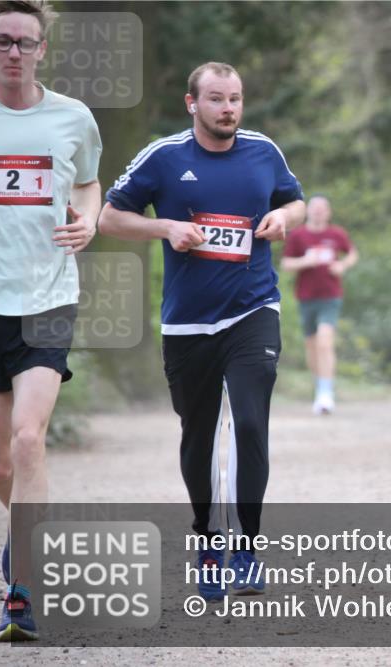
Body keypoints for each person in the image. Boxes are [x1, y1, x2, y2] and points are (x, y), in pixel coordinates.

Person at [98, 62, 305, 602]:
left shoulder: (264, 150)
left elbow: (295, 200)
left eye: (235, 98)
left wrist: (286, 220)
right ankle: (208, 538)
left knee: (252, 426)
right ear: (193, 104)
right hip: (187, 320)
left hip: (253, 309)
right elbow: (109, 218)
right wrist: (164, 227)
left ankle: (247, 549)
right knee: (199, 433)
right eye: (216, 99)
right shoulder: (163, 157)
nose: (228, 109)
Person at [0, 0, 102, 641]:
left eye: (22, 42)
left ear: (41, 49)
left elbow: (88, 183)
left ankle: (22, 591)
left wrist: (86, 218)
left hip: (46, 299)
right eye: (0, 41)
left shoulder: (72, 118)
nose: (11, 52)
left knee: (28, 441)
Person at [281, 195, 357, 414]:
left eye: (323, 209)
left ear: (328, 212)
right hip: (306, 297)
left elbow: (352, 253)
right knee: (312, 346)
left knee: (325, 341)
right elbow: (286, 264)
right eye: (314, 208)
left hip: (331, 296)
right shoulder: (298, 235)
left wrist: (342, 265)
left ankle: (326, 394)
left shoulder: (336, 234)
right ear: (308, 212)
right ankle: (319, 387)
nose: (318, 212)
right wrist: (306, 261)